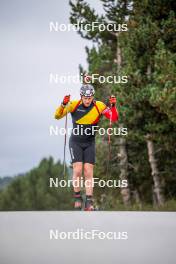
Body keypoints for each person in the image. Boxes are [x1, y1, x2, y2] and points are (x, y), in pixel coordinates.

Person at [54, 84, 119, 211]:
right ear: (81, 96)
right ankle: (77, 197)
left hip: (90, 142)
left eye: (90, 98)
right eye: (85, 98)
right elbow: (57, 116)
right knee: (77, 170)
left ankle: (89, 202)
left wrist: (113, 107)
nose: (87, 100)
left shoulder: (99, 106)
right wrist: (63, 104)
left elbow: (114, 118)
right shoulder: (73, 105)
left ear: (92, 97)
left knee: (89, 171)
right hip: (76, 142)